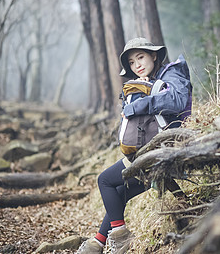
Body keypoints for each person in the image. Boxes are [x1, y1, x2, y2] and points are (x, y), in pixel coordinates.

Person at [76, 37, 192, 254]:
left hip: (168, 149)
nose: (137, 64)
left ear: (153, 56)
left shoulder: (171, 72)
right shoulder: (151, 80)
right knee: (121, 191)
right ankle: (98, 243)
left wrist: (139, 104)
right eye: (131, 62)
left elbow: (177, 100)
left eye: (141, 57)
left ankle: (120, 236)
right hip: (155, 149)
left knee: (105, 181)